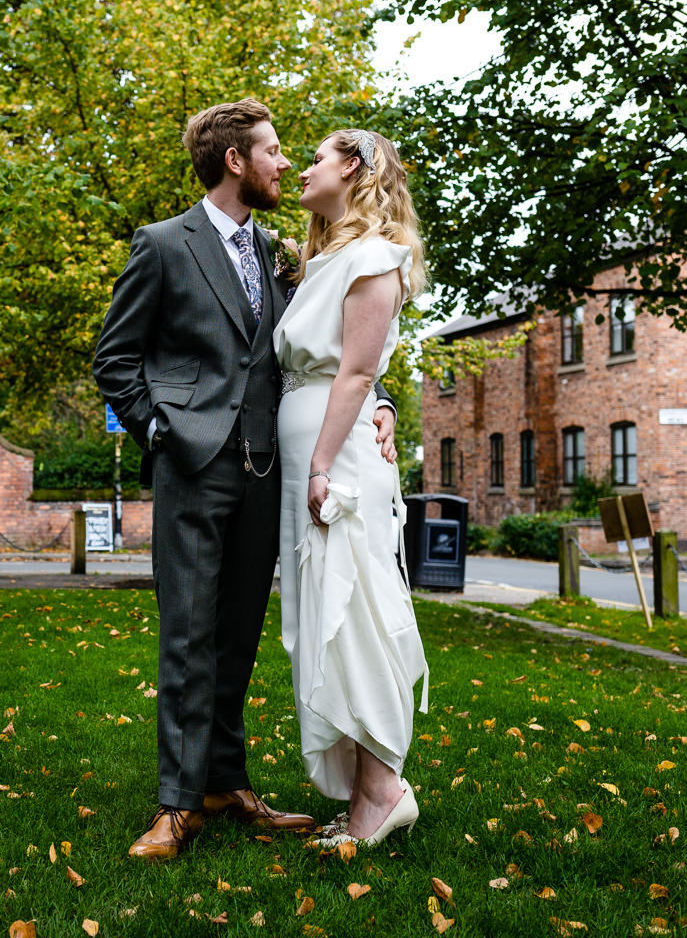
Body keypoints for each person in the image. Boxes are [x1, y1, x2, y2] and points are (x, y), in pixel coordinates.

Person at [93, 99, 398, 861]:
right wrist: (162, 431)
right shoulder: (163, 244)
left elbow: (333, 345)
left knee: (238, 637)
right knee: (187, 635)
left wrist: (383, 400)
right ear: (236, 160)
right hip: (193, 471)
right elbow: (115, 360)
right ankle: (176, 803)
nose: (284, 163)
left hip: (268, 474)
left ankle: (226, 782)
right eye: (271, 151)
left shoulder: (282, 253)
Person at [273, 128, 430, 848]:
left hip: (333, 459)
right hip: (316, 443)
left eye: (315, 157)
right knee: (323, 617)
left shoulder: (373, 257)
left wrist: (320, 464)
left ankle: (381, 792)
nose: (301, 168)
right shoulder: (325, 258)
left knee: (352, 614)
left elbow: (358, 373)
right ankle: (368, 785)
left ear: (356, 168)